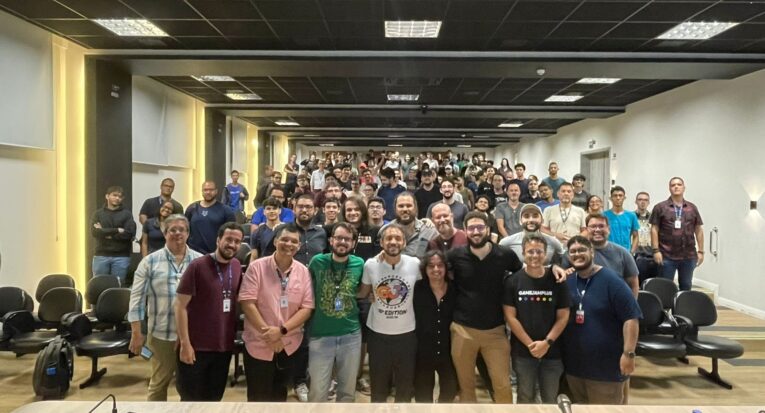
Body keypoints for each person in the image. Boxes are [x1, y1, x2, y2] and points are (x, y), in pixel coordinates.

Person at [448, 211, 522, 403]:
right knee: (466, 387)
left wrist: (553, 268)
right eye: (471, 228)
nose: (476, 232)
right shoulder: (455, 256)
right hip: (462, 330)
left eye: (480, 227)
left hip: (495, 331)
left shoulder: (505, 254)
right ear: (465, 231)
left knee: (502, 385)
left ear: (488, 229)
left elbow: (523, 275)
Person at [128, 214, 202, 401]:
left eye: (182, 230)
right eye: (172, 230)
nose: (177, 233)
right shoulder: (149, 262)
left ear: (188, 233)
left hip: (192, 335)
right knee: (159, 384)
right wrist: (136, 332)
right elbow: (136, 299)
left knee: (191, 387)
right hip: (161, 334)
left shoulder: (200, 261)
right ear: (164, 233)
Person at [561, 236, 641, 405]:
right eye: (573, 251)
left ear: (592, 252)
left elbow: (631, 318)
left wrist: (629, 354)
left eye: (582, 250)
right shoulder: (567, 281)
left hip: (606, 369)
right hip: (574, 368)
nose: (577, 254)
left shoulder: (612, 281)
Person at [239, 223, 315, 401]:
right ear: (275, 241)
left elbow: (307, 308)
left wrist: (281, 332)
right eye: (284, 239)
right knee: (257, 398)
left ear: (299, 246)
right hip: (259, 344)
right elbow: (247, 303)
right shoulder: (256, 267)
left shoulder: (303, 271)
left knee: (280, 397)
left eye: (294, 241)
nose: (289, 244)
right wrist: (270, 335)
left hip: (288, 345)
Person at [174, 222, 243, 401]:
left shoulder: (236, 266)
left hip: (223, 348)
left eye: (237, 241)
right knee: (190, 401)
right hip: (196, 347)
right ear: (218, 240)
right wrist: (185, 344)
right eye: (228, 239)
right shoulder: (197, 266)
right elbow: (180, 306)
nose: (232, 245)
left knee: (214, 399)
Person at [503, 234, 570, 403]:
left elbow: (563, 317)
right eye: (530, 251)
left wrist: (546, 343)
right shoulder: (512, 281)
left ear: (545, 254)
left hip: (552, 351)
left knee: (550, 398)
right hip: (523, 351)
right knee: (525, 396)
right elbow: (510, 317)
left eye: (539, 251)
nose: (535, 255)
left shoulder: (557, 280)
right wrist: (531, 345)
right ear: (523, 253)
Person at [358, 224, 421, 402]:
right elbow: (363, 293)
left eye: (398, 238)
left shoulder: (415, 264)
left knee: (405, 388)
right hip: (378, 335)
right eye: (388, 238)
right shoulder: (370, 265)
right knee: (378, 388)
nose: (393, 241)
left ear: (404, 242)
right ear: (381, 242)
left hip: (407, 334)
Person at [307, 223, 365, 402]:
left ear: (353, 243)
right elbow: (306, 292)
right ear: (331, 240)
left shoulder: (359, 263)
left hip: (351, 335)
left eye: (347, 239)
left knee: (347, 392)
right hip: (320, 335)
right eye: (339, 238)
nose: (342, 242)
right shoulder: (317, 262)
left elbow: (362, 291)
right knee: (317, 392)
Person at [341, 196, 381, 395]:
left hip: (365, 292)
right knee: (341, 331)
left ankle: (357, 376)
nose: (353, 213)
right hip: (342, 291)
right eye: (349, 210)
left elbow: (378, 261)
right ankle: (340, 377)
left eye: (356, 210)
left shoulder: (373, 232)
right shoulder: (338, 231)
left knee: (363, 335)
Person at [413, 250, 458, 403]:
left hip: (449, 350)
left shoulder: (455, 289)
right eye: (431, 266)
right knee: (422, 396)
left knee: (450, 391)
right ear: (425, 269)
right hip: (423, 351)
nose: (436, 269)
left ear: (446, 267)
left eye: (440, 265)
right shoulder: (417, 288)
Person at [650, 177, 704, 291]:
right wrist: (656, 250)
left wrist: (701, 251)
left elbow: (698, 229)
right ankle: (664, 304)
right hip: (666, 255)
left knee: (686, 286)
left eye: (679, 184)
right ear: (669, 188)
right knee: (664, 288)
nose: (676, 187)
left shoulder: (692, 208)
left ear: (684, 188)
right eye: (673, 185)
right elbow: (654, 229)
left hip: (688, 256)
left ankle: (683, 304)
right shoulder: (660, 207)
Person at [577, 214, 640, 297]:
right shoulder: (576, 253)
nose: (597, 230)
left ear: (609, 229)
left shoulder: (623, 253)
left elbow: (634, 285)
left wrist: (632, 304)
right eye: (593, 226)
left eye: (601, 226)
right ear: (586, 230)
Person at [90, 186, 136, 281]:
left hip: (121, 256)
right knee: (99, 284)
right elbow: (95, 232)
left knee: (118, 285)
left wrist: (105, 233)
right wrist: (117, 230)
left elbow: (129, 234)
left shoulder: (127, 214)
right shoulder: (98, 214)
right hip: (101, 255)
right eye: (114, 195)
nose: (117, 198)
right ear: (107, 196)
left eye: (120, 196)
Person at [499, 204, 564, 265]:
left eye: (535, 216)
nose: (531, 220)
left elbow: (562, 262)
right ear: (520, 221)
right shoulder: (507, 242)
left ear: (542, 220)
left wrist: (554, 267)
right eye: (526, 216)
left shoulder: (552, 241)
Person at [185, 181, 236, 254]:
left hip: (215, 254)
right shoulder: (192, 208)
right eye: (205, 190)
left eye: (211, 190)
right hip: (193, 253)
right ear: (202, 191)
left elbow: (232, 233)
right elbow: (185, 230)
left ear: (216, 191)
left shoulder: (226, 210)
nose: (208, 192)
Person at [386, 192, 438, 259]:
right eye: (401, 206)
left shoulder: (429, 230)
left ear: (415, 208)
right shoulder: (385, 231)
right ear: (395, 209)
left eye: (409, 206)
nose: (405, 209)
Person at [604, 186, 640, 252]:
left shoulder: (631, 216)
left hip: (626, 252)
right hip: (608, 252)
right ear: (611, 198)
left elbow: (636, 236)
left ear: (624, 198)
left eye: (620, 195)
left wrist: (632, 252)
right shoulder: (604, 215)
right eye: (615, 196)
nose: (618, 198)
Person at [634, 191, 658, 284]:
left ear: (649, 202)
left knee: (652, 283)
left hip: (651, 254)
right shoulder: (630, 216)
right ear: (636, 201)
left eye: (645, 200)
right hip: (636, 254)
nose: (643, 202)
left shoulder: (654, 218)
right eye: (640, 199)